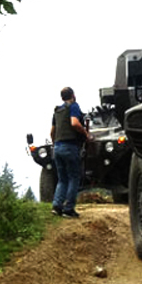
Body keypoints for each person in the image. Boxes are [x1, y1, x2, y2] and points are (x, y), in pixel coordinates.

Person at [50, 87, 89, 218]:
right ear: (73, 95)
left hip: (57, 147)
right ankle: (68, 209)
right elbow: (74, 123)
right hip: (70, 146)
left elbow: (52, 132)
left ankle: (57, 206)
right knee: (74, 177)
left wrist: (55, 144)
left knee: (62, 179)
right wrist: (86, 134)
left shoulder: (57, 111)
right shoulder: (73, 106)